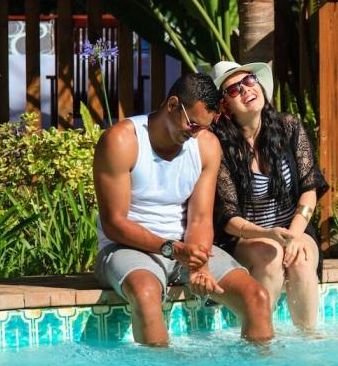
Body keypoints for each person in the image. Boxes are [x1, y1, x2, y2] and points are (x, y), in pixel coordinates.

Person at [93, 73, 273, 346]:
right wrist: (171, 249)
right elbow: (114, 224)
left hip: (185, 249)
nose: (195, 134)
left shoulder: (205, 144)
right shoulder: (122, 140)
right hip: (127, 248)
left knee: (256, 298)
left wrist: (200, 264)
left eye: (204, 127)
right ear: (172, 105)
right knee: (146, 294)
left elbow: (200, 218)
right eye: (192, 125)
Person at [209, 61, 329, 330]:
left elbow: (309, 189)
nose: (246, 90)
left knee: (302, 258)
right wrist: (268, 235)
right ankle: (260, 336)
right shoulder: (220, 147)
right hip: (246, 237)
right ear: (225, 106)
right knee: (271, 255)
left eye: (249, 81)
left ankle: (308, 338)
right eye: (234, 89)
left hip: (293, 228)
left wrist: (293, 235)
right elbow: (228, 218)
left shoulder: (289, 127)